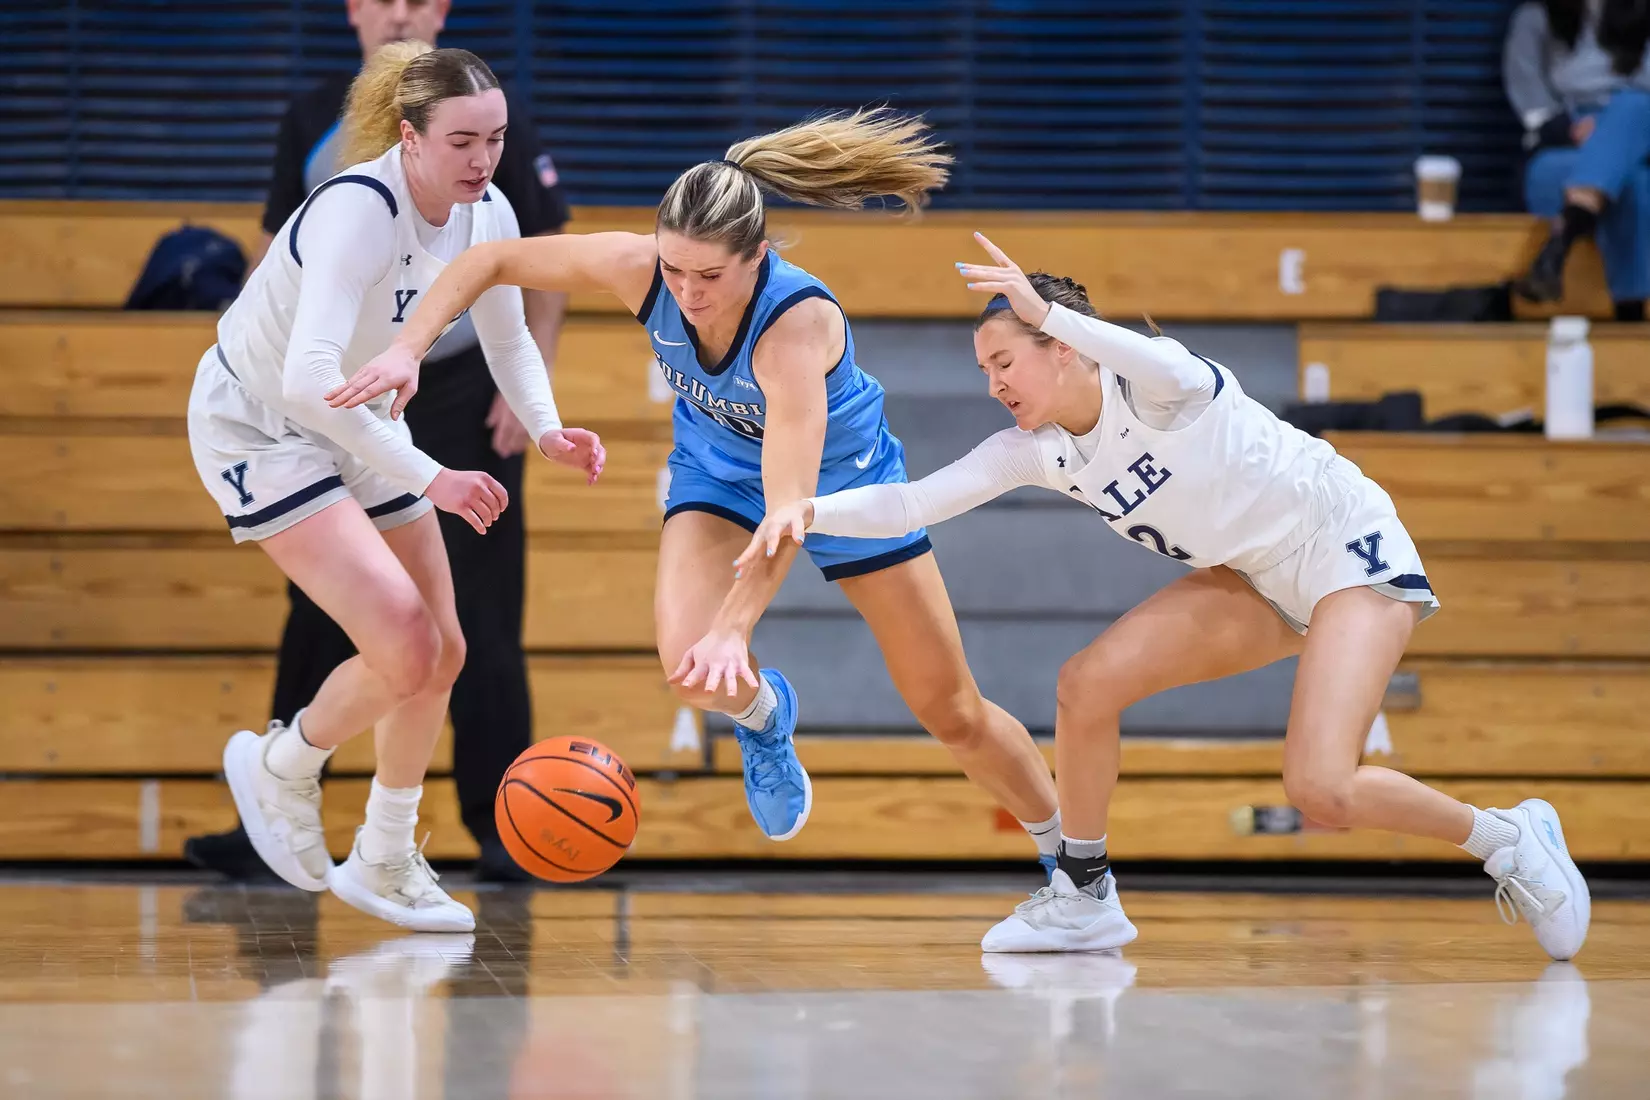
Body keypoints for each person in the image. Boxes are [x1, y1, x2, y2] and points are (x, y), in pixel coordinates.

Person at [735, 234, 1592, 963]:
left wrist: (1048, 309)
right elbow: (913, 502)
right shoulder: (1036, 449)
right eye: (984, 367)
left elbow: (1138, 353)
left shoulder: (1160, 385)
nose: (993, 380)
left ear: (1059, 346)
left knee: (1320, 789)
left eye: (1005, 359)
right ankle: (1084, 891)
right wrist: (805, 511)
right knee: (1086, 684)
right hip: (1255, 576)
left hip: (1341, 545)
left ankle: (1505, 837)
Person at [324, 108, 1065, 869]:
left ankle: (1073, 862)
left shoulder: (792, 329)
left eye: (709, 276)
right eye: (674, 269)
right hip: (717, 474)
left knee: (950, 711)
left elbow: (791, 510)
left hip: (843, 488)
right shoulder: (641, 269)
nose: (686, 292)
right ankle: (765, 717)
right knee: (691, 665)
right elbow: (487, 262)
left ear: (758, 257)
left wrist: (736, 625)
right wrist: (410, 349)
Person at [186, 41, 603, 931]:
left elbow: (509, 338)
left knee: (443, 651)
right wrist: (434, 475)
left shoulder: (486, 212)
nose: (483, 158)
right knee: (406, 644)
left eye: (494, 137)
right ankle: (282, 766)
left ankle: (383, 852)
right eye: (461, 140)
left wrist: (544, 425)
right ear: (409, 137)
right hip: (263, 421)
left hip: (356, 416)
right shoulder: (357, 211)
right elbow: (306, 382)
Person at [1504, 0, 1650, 318]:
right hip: (1562, 151)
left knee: (1634, 108)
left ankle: (1559, 247)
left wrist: (1612, 128)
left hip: (1639, 137)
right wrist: (1569, 129)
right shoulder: (1535, 18)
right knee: (1633, 183)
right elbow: (1530, 100)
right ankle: (1630, 314)